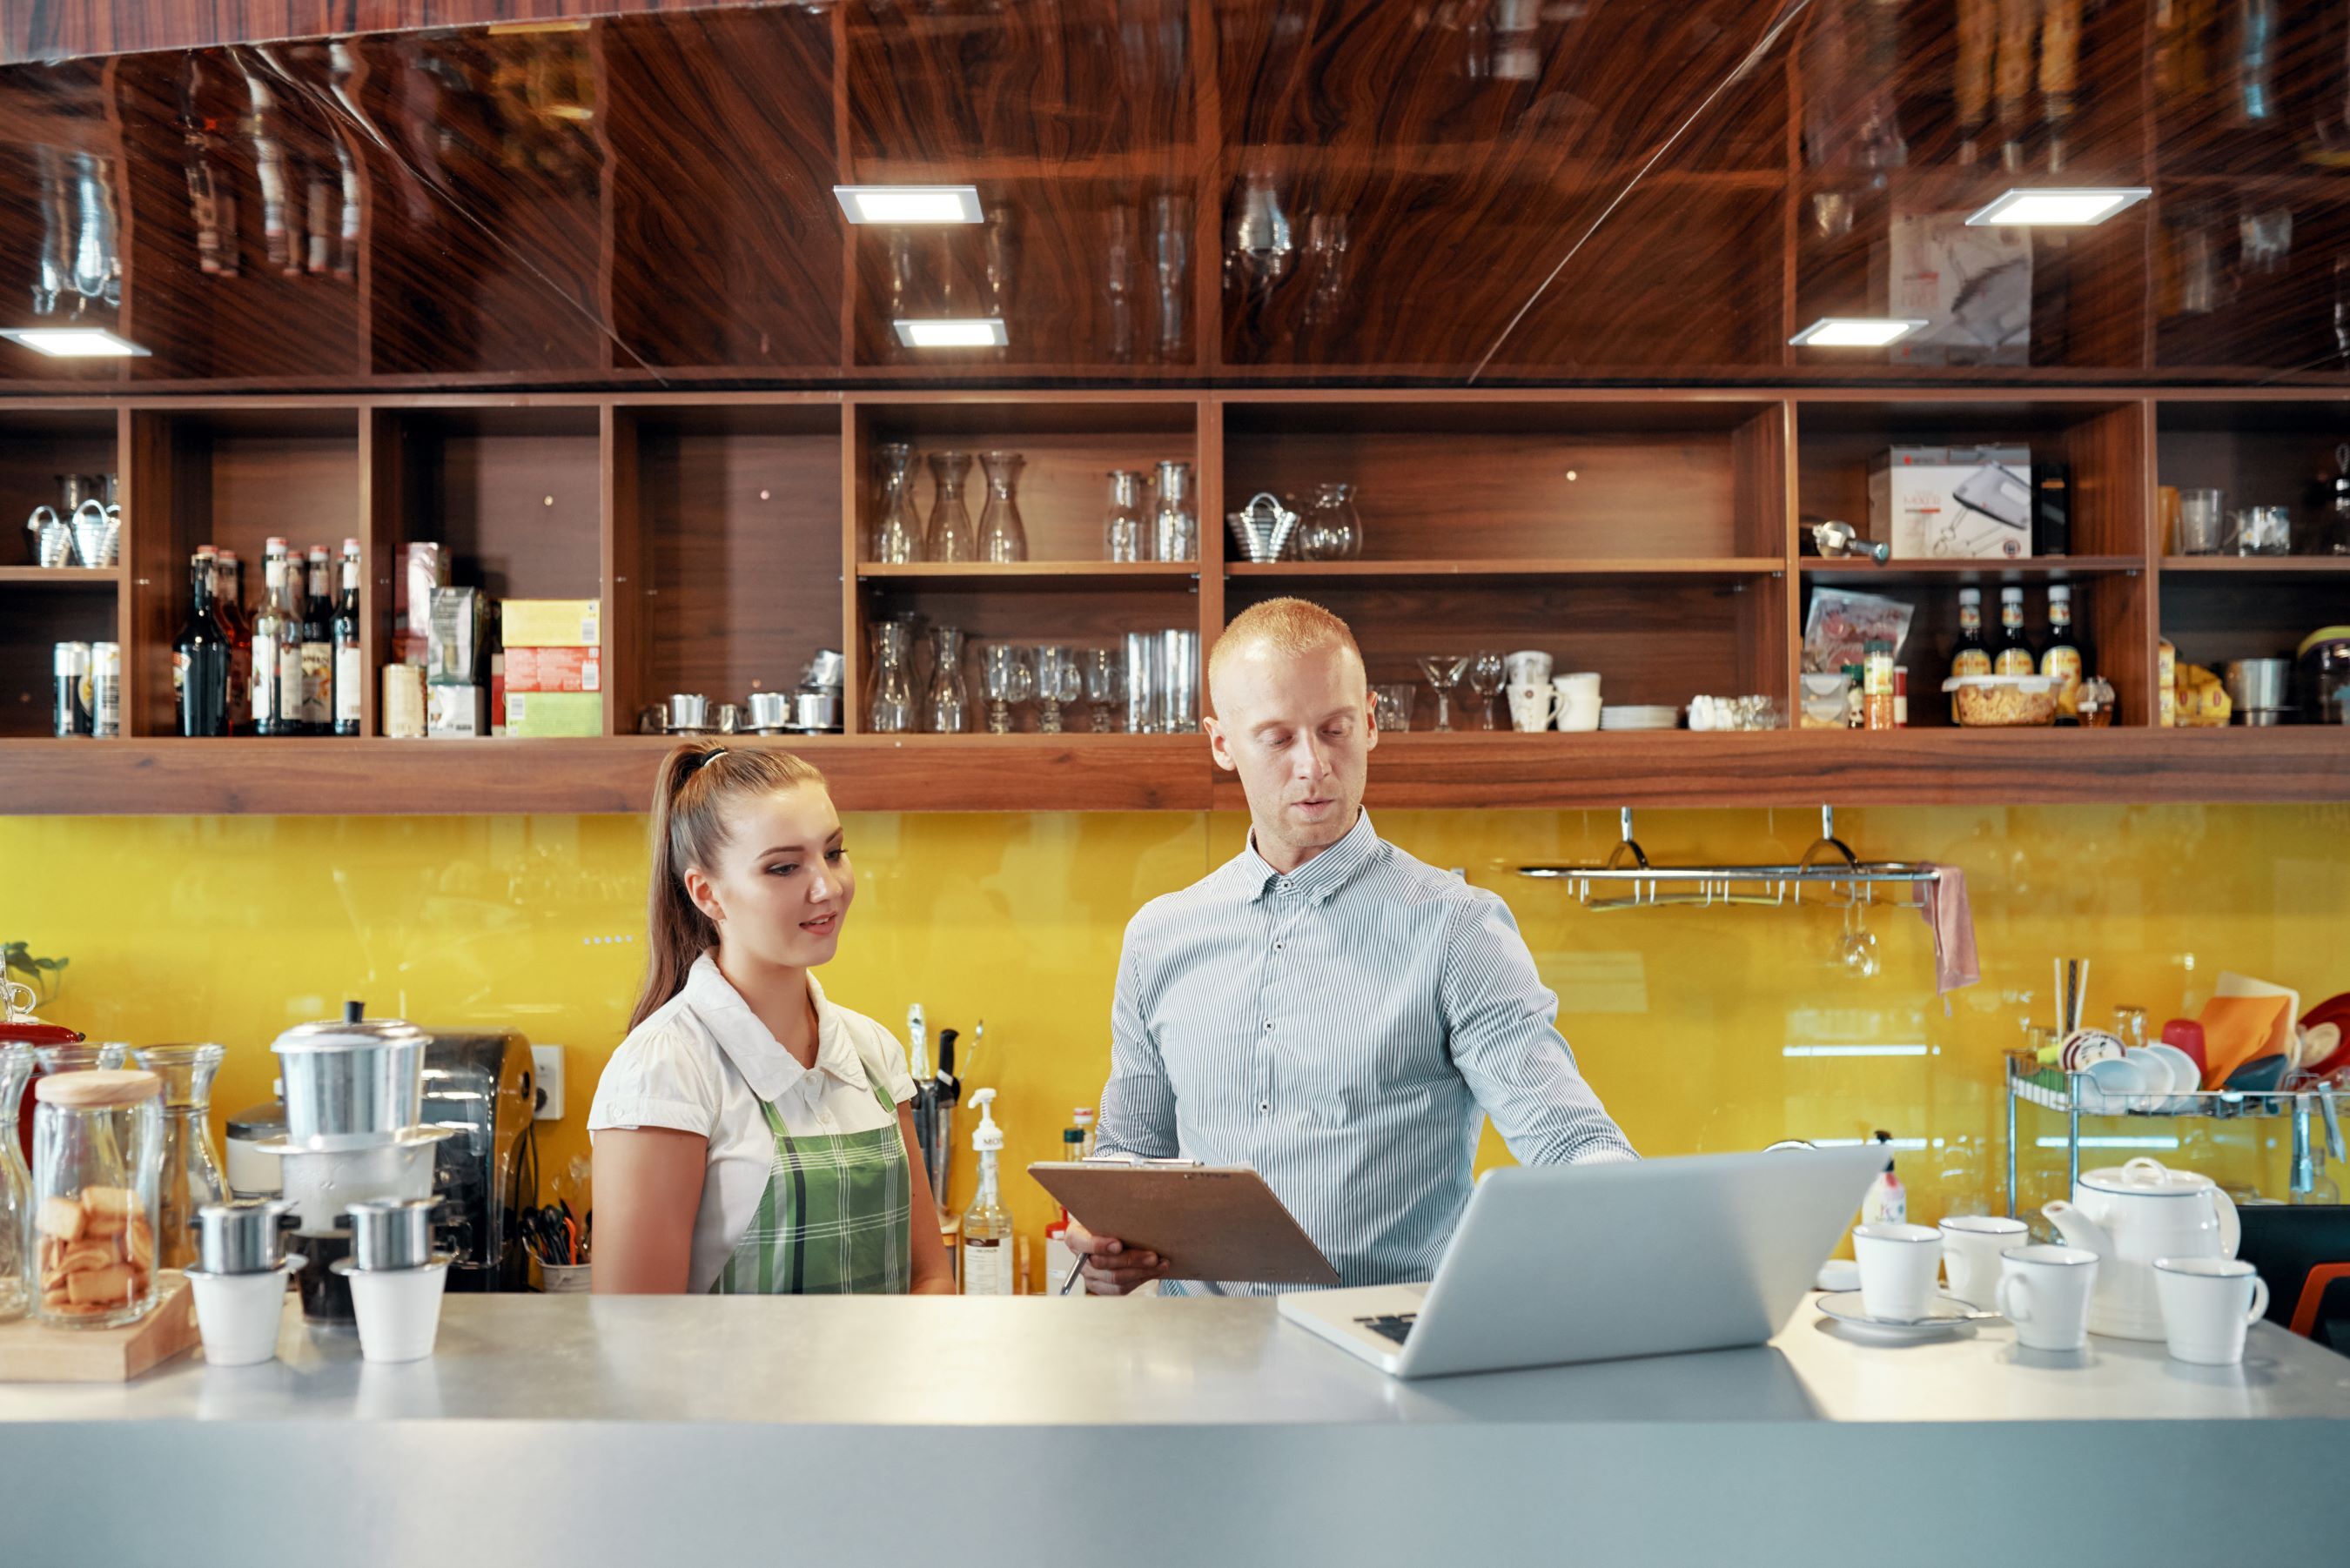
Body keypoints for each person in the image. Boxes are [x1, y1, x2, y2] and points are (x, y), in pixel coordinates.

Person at [1074, 598, 1635, 1295]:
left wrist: (1638, 1213)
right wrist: (1108, 1242)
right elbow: (1132, 1155)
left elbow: (1566, 1140)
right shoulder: (1158, 937)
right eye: (1276, 738)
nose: (1313, 765)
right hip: (1200, 1349)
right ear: (1222, 744)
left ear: (1370, 722)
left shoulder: (1457, 928)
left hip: (1387, 1345)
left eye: (1334, 729)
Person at [588, 743, 954, 1295]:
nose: (828, 887)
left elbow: (930, 1277)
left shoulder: (873, 1053)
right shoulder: (664, 1072)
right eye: (783, 867)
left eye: (834, 852)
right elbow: (636, 1333)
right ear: (707, 894)